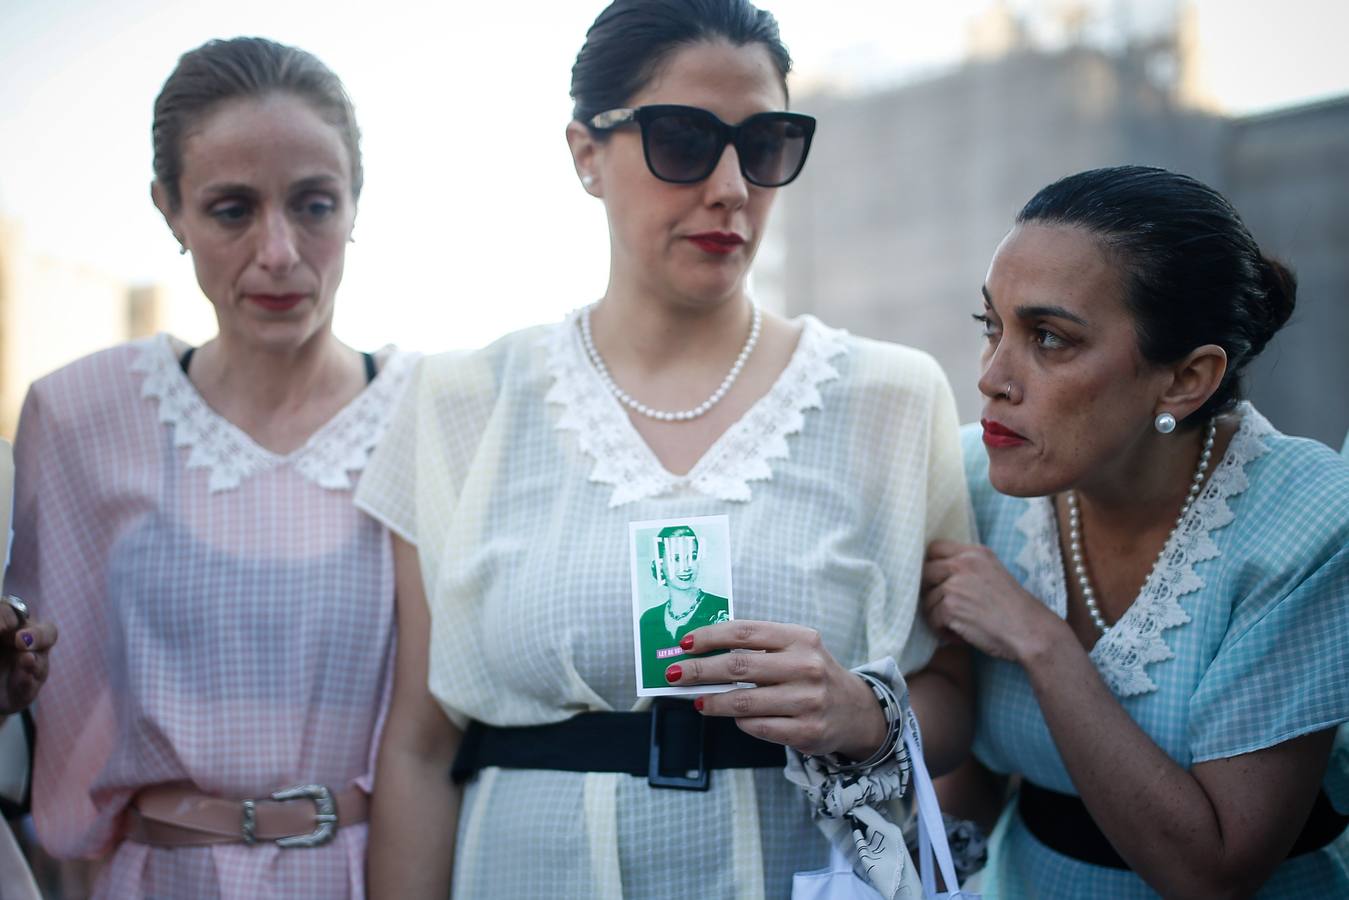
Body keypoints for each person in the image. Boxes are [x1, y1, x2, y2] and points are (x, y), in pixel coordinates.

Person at [356, 2, 975, 897]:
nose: (729, 186)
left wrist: (860, 710)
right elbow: (417, 746)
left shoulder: (892, 397)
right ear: (585, 154)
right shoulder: (460, 401)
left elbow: (959, 700)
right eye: (683, 139)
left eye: (763, 144)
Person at [6, 37, 417, 898]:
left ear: (356, 203)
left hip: (366, 876)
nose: (278, 251)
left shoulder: (429, 411)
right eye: (232, 210)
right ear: (171, 210)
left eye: (313, 204)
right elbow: (55, 721)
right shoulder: (80, 417)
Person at [923, 165, 1349, 897]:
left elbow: (1212, 871)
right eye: (991, 325)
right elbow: (971, 786)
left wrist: (1039, 641)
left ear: (1185, 380)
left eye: (1049, 338)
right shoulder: (970, 479)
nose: (992, 375)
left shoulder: (1305, 521)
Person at [637, 525, 731, 690]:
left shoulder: (723, 608)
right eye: (676, 558)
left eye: (692, 556)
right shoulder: (648, 619)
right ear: (660, 565)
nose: (686, 567)